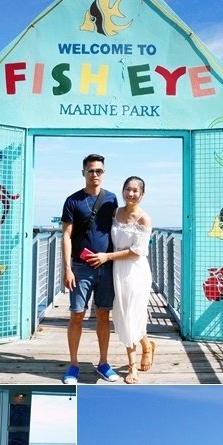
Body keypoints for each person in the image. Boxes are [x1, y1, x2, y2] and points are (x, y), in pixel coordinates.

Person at [61, 154, 119, 384]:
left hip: (106, 266)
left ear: (104, 173)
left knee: (104, 314)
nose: (95, 175)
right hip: (80, 267)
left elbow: (121, 228)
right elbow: (66, 235)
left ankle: (103, 363)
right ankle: (73, 364)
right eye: (91, 171)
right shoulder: (72, 200)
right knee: (77, 315)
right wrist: (67, 269)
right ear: (83, 172)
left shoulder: (112, 199)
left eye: (99, 171)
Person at [102, 176, 156, 384]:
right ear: (122, 190)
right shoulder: (115, 212)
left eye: (135, 190)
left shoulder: (144, 219)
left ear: (142, 194)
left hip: (135, 272)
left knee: (131, 316)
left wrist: (107, 257)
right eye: (128, 189)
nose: (131, 194)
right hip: (116, 271)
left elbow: (137, 251)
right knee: (124, 316)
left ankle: (131, 367)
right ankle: (147, 345)